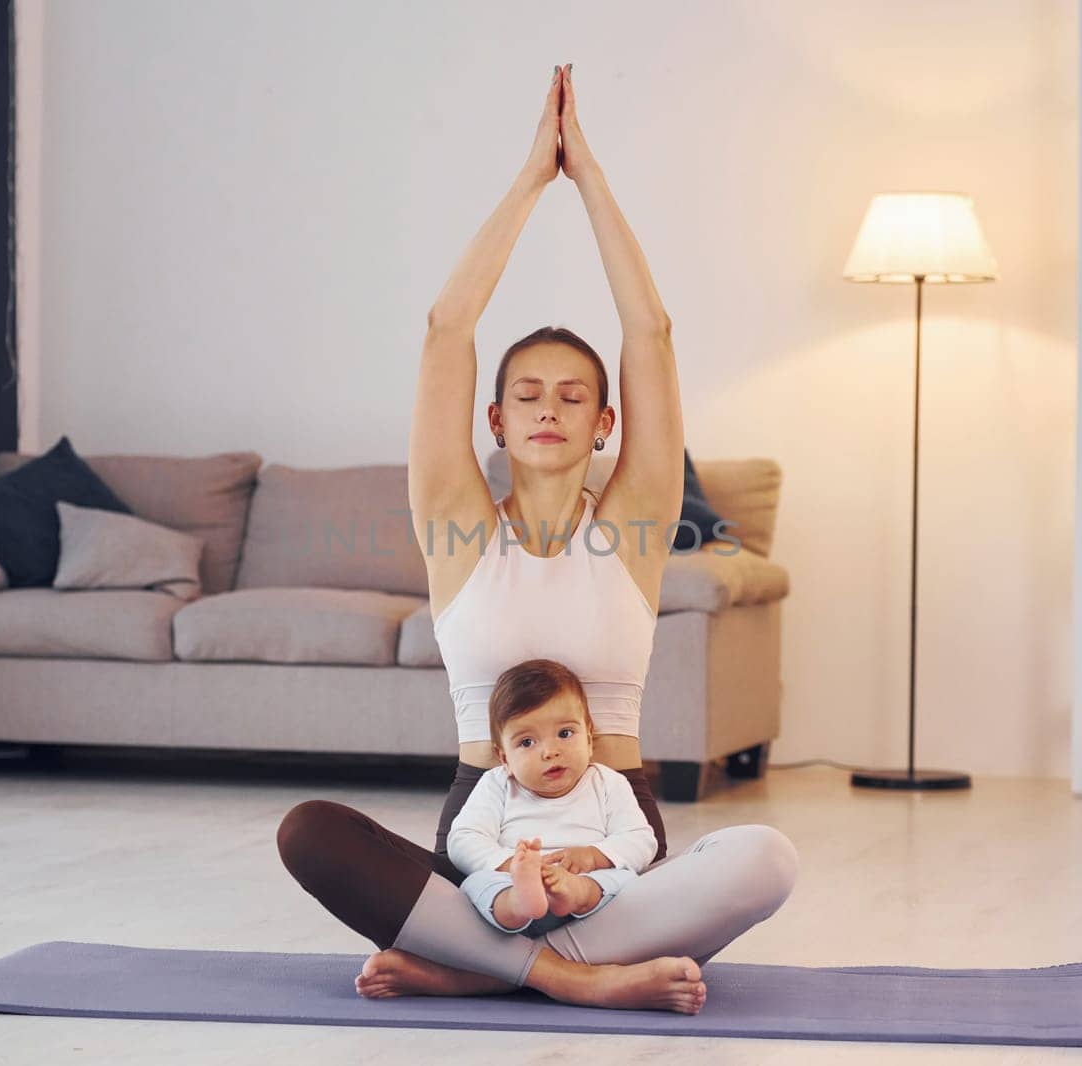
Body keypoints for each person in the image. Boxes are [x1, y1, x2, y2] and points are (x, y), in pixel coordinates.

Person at [277, 63, 798, 1016]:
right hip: (489, 838)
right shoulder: (459, 529)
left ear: (607, 425)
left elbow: (652, 334)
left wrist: (587, 175)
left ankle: (474, 969)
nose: (549, 408)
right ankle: (572, 977)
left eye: (574, 396)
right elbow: (447, 328)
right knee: (310, 831)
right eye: (528, 394)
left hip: (613, 833)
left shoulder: (634, 527)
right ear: (495, 420)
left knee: (766, 859)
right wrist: (530, 179)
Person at [450, 659, 656, 937]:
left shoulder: (608, 783)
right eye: (526, 742)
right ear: (504, 758)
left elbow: (641, 839)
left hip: (586, 892)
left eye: (565, 733)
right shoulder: (497, 785)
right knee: (476, 884)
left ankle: (577, 893)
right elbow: (463, 838)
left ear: (589, 738)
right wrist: (509, 864)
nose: (550, 751)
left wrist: (595, 856)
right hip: (512, 882)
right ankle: (518, 903)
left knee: (625, 880)